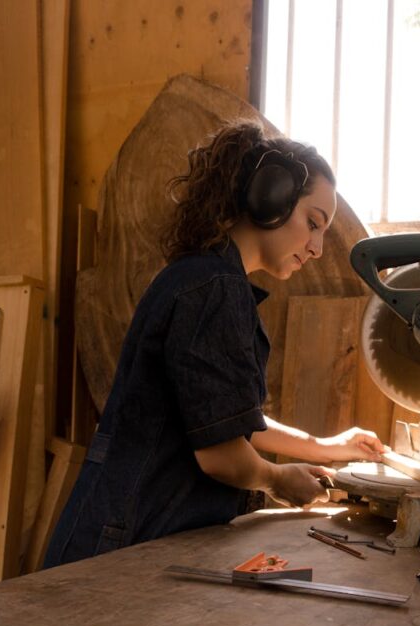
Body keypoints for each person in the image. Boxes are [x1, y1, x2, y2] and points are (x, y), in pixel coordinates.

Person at [44, 121, 385, 567]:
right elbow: (222, 455)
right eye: (313, 223)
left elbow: (226, 418)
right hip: (125, 539)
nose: (318, 247)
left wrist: (328, 446)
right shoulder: (212, 289)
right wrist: (279, 480)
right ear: (271, 198)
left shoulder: (208, 279)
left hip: (136, 531)